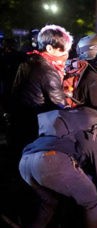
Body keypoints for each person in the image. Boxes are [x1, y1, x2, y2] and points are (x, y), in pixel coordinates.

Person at [8, 24, 73, 157]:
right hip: (35, 126)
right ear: (50, 48)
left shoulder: (28, 61)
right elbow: (60, 105)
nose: (66, 55)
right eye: (63, 50)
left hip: (18, 120)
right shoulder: (48, 71)